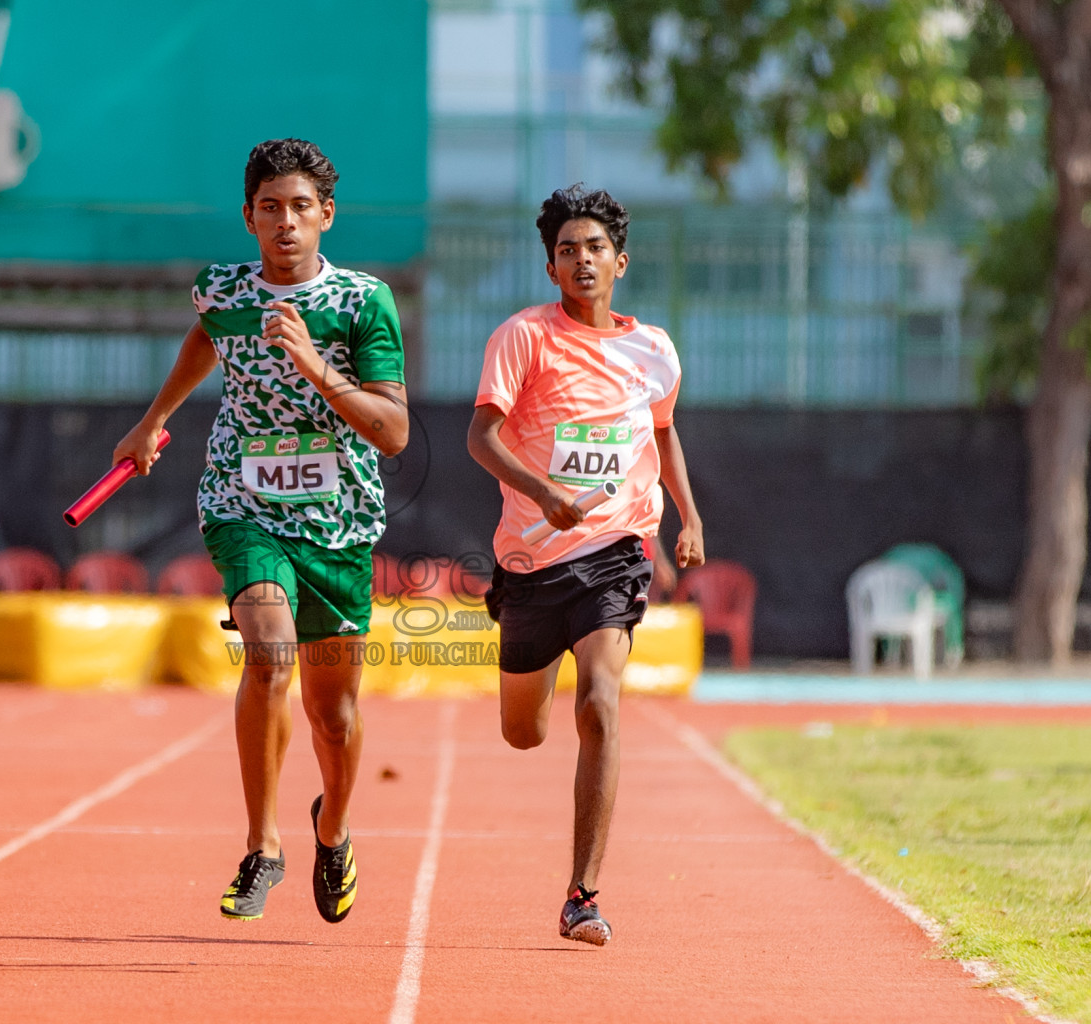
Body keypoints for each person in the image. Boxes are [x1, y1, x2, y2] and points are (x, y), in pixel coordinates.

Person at [113, 139, 408, 923]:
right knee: (268, 652)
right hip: (241, 501)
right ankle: (262, 846)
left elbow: (394, 431)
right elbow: (208, 338)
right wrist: (153, 421)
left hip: (338, 521)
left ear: (326, 217)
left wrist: (315, 365)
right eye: (270, 208)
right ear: (247, 217)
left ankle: (334, 830)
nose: (286, 223)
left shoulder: (361, 302)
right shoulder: (220, 289)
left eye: (301, 208)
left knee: (334, 714)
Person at [465, 184, 704, 945]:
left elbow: (661, 433)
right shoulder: (524, 338)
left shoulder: (655, 349)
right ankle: (528, 649)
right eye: (567, 250)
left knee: (601, 698)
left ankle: (583, 894)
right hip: (534, 561)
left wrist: (689, 515)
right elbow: (480, 438)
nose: (582, 260)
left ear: (620, 262)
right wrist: (542, 493)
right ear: (551, 267)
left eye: (594, 248)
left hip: (616, 553)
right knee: (523, 733)